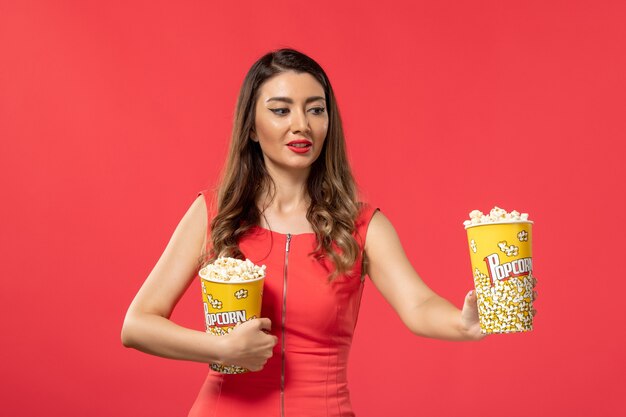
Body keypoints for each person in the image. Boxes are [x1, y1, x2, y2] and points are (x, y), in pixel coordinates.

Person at [121, 48, 533, 416]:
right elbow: (137, 325)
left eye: (315, 110)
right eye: (281, 110)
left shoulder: (362, 225)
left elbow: (419, 304)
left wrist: (465, 324)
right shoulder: (213, 214)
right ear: (251, 126)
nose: (301, 124)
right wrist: (221, 349)